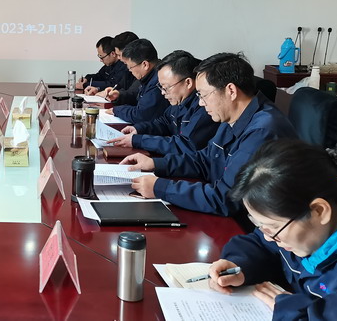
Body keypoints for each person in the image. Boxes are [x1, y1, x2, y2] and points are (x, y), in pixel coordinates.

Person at [209, 139, 337, 320]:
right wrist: (238, 265)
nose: (268, 237)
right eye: (260, 225)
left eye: (273, 228)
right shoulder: (303, 209)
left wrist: (292, 311)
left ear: (319, 211)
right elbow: (261, 244)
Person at [122, 52, 297, 216]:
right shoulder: (232, 116)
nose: (200, 103)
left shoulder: (262, 131)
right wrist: (155, 163)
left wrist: (161, 187)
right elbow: (205, 160)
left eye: (203, 95)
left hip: (248, 223)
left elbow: (226, 198)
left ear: (231, 91)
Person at [107, 50, 219, 156]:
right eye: (161, 87)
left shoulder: (204, 107)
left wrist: (139, 140)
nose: (162, 92)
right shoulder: (179, 100)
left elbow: (185, 145)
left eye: (166, 87)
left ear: (188, 83)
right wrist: (139, 129)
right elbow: (165, 122)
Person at [105, 39, 169, 124]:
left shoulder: (158, 81)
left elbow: (141, 115)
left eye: (130, 67)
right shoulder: (148, 75)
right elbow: (137, 95)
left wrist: (117, 110)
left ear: (145, 65)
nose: (129, 70)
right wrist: (119, 95)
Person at [100, 31, 139, 104]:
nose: (118, 58)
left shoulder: (141, 72)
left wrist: (116, 106)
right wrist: (113, 91)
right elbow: (120, 86)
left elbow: (132, 95)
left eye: (119, 55)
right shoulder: (128, 69)